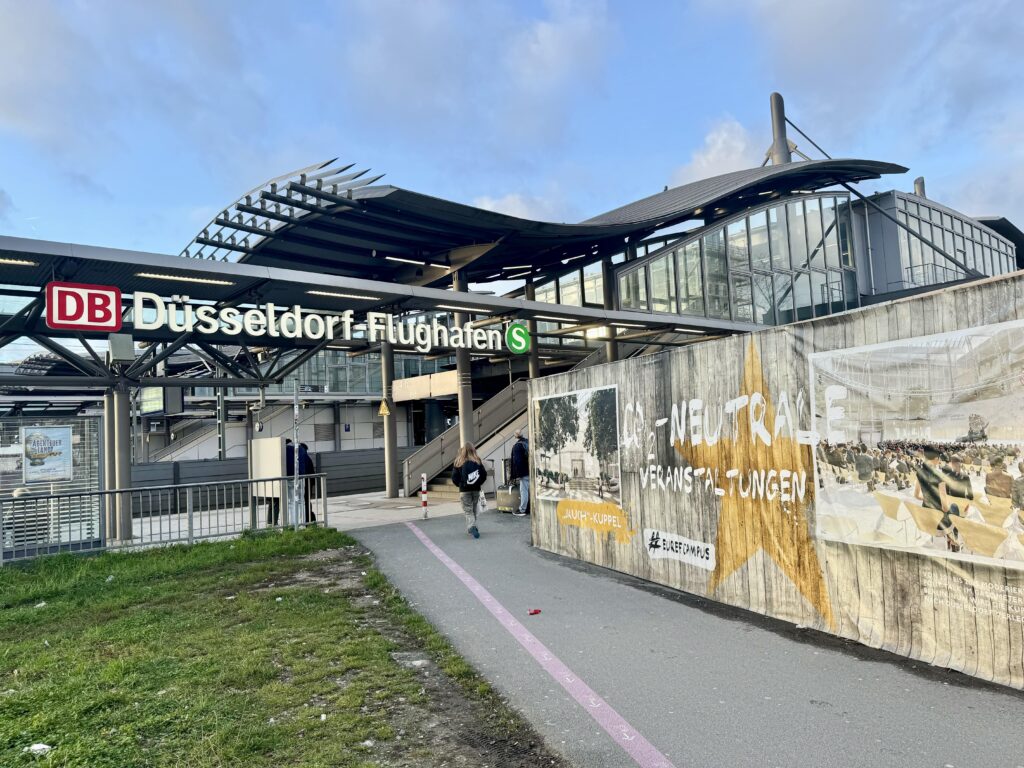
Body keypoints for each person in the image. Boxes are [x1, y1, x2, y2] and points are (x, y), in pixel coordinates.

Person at [915, 445, 959, 551]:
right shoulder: (939, 476)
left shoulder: (919, 472)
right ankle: (953, 540)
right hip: (938, 523)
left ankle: (950, 539)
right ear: (935, 459)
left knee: (949, 509)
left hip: (927, 518)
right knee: (954, 508)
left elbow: (916, 495)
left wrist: (928, 499)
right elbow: (944, 507)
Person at [451, 442, 487, 539]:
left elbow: (454, 478)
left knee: (468, 510)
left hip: (464, 490)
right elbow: (484, 475)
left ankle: (472, 527)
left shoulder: (459, 461)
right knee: (474, 509)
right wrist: (478, 483)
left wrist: (461, 485)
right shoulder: (477, 460)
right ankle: (473, 527)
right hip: (476, 489)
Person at [509, 429, 530, 517]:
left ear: (515, 436)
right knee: (529, 490)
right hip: (531, 470)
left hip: (523, 472)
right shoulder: (528, 442)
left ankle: (522, 510)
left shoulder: (517, 446)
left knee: (524, 491)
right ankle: (529, 508)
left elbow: (517, 461)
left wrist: (514, 475)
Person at [299, 442, 317, 523]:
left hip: (305, 483)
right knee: (307, 500)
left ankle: (308, 519)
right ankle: (309, 518)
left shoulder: (303, 458)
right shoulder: (307, 458)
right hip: (309, 483)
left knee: (304, 501)